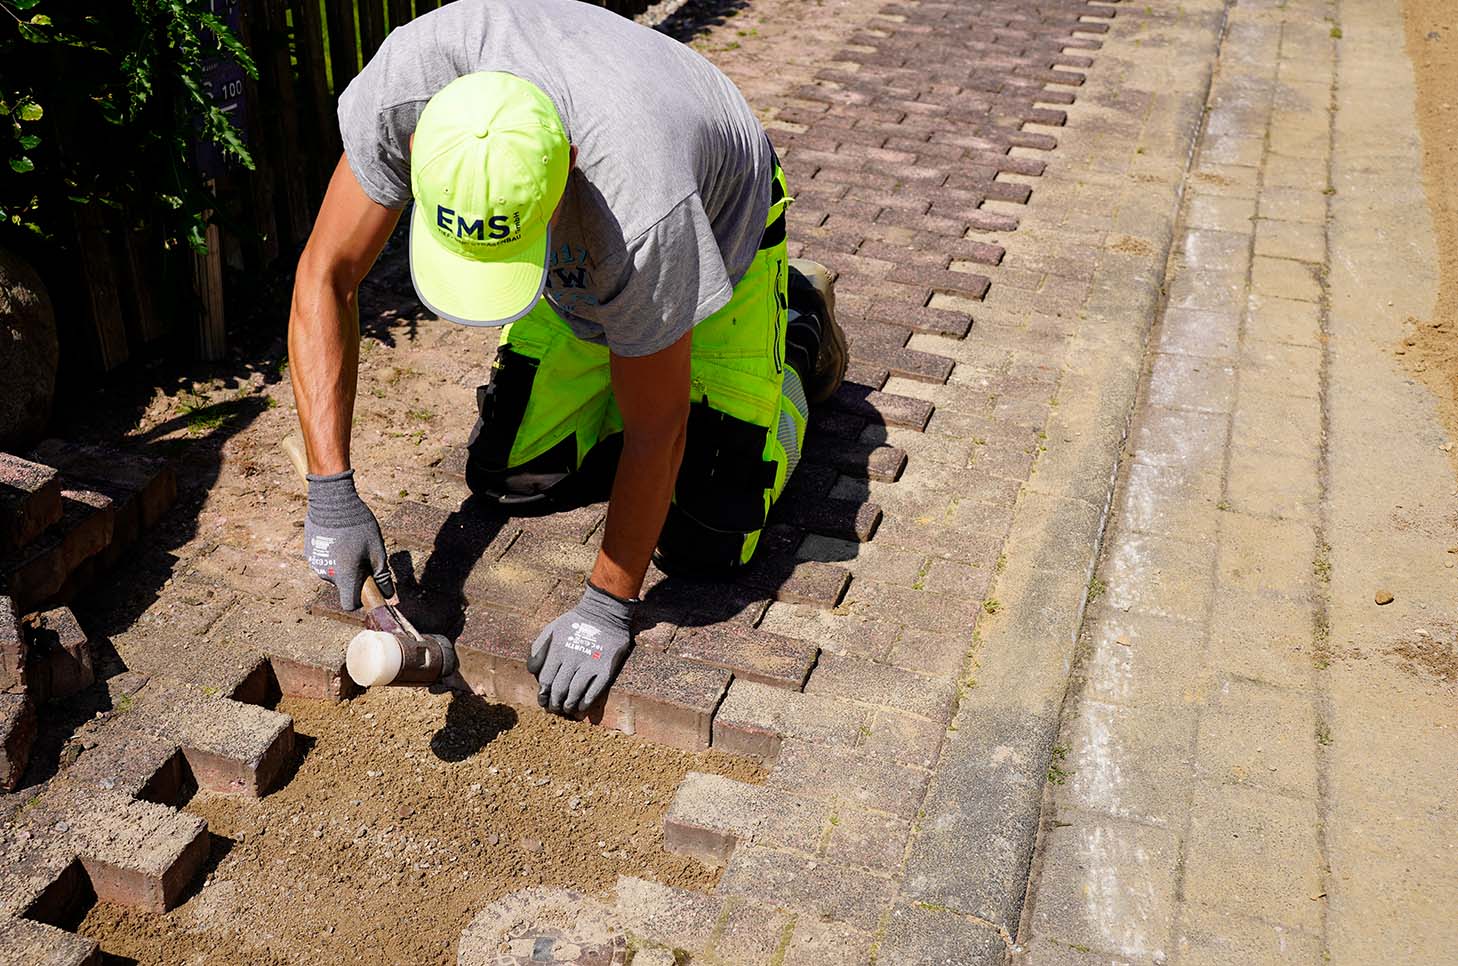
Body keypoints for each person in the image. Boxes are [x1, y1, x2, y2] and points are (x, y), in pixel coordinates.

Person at [287, 0, 846, 719]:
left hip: (715, 232)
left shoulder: (644, 204)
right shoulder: (404, 89)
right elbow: (325, 275)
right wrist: (330, 491)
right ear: (419, 145)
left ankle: (795, 327)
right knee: (508, 480)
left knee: (709, 538)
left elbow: (659, 428)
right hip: (588, 254)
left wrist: (607, 606)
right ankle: (631, 358)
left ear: (567, 169)